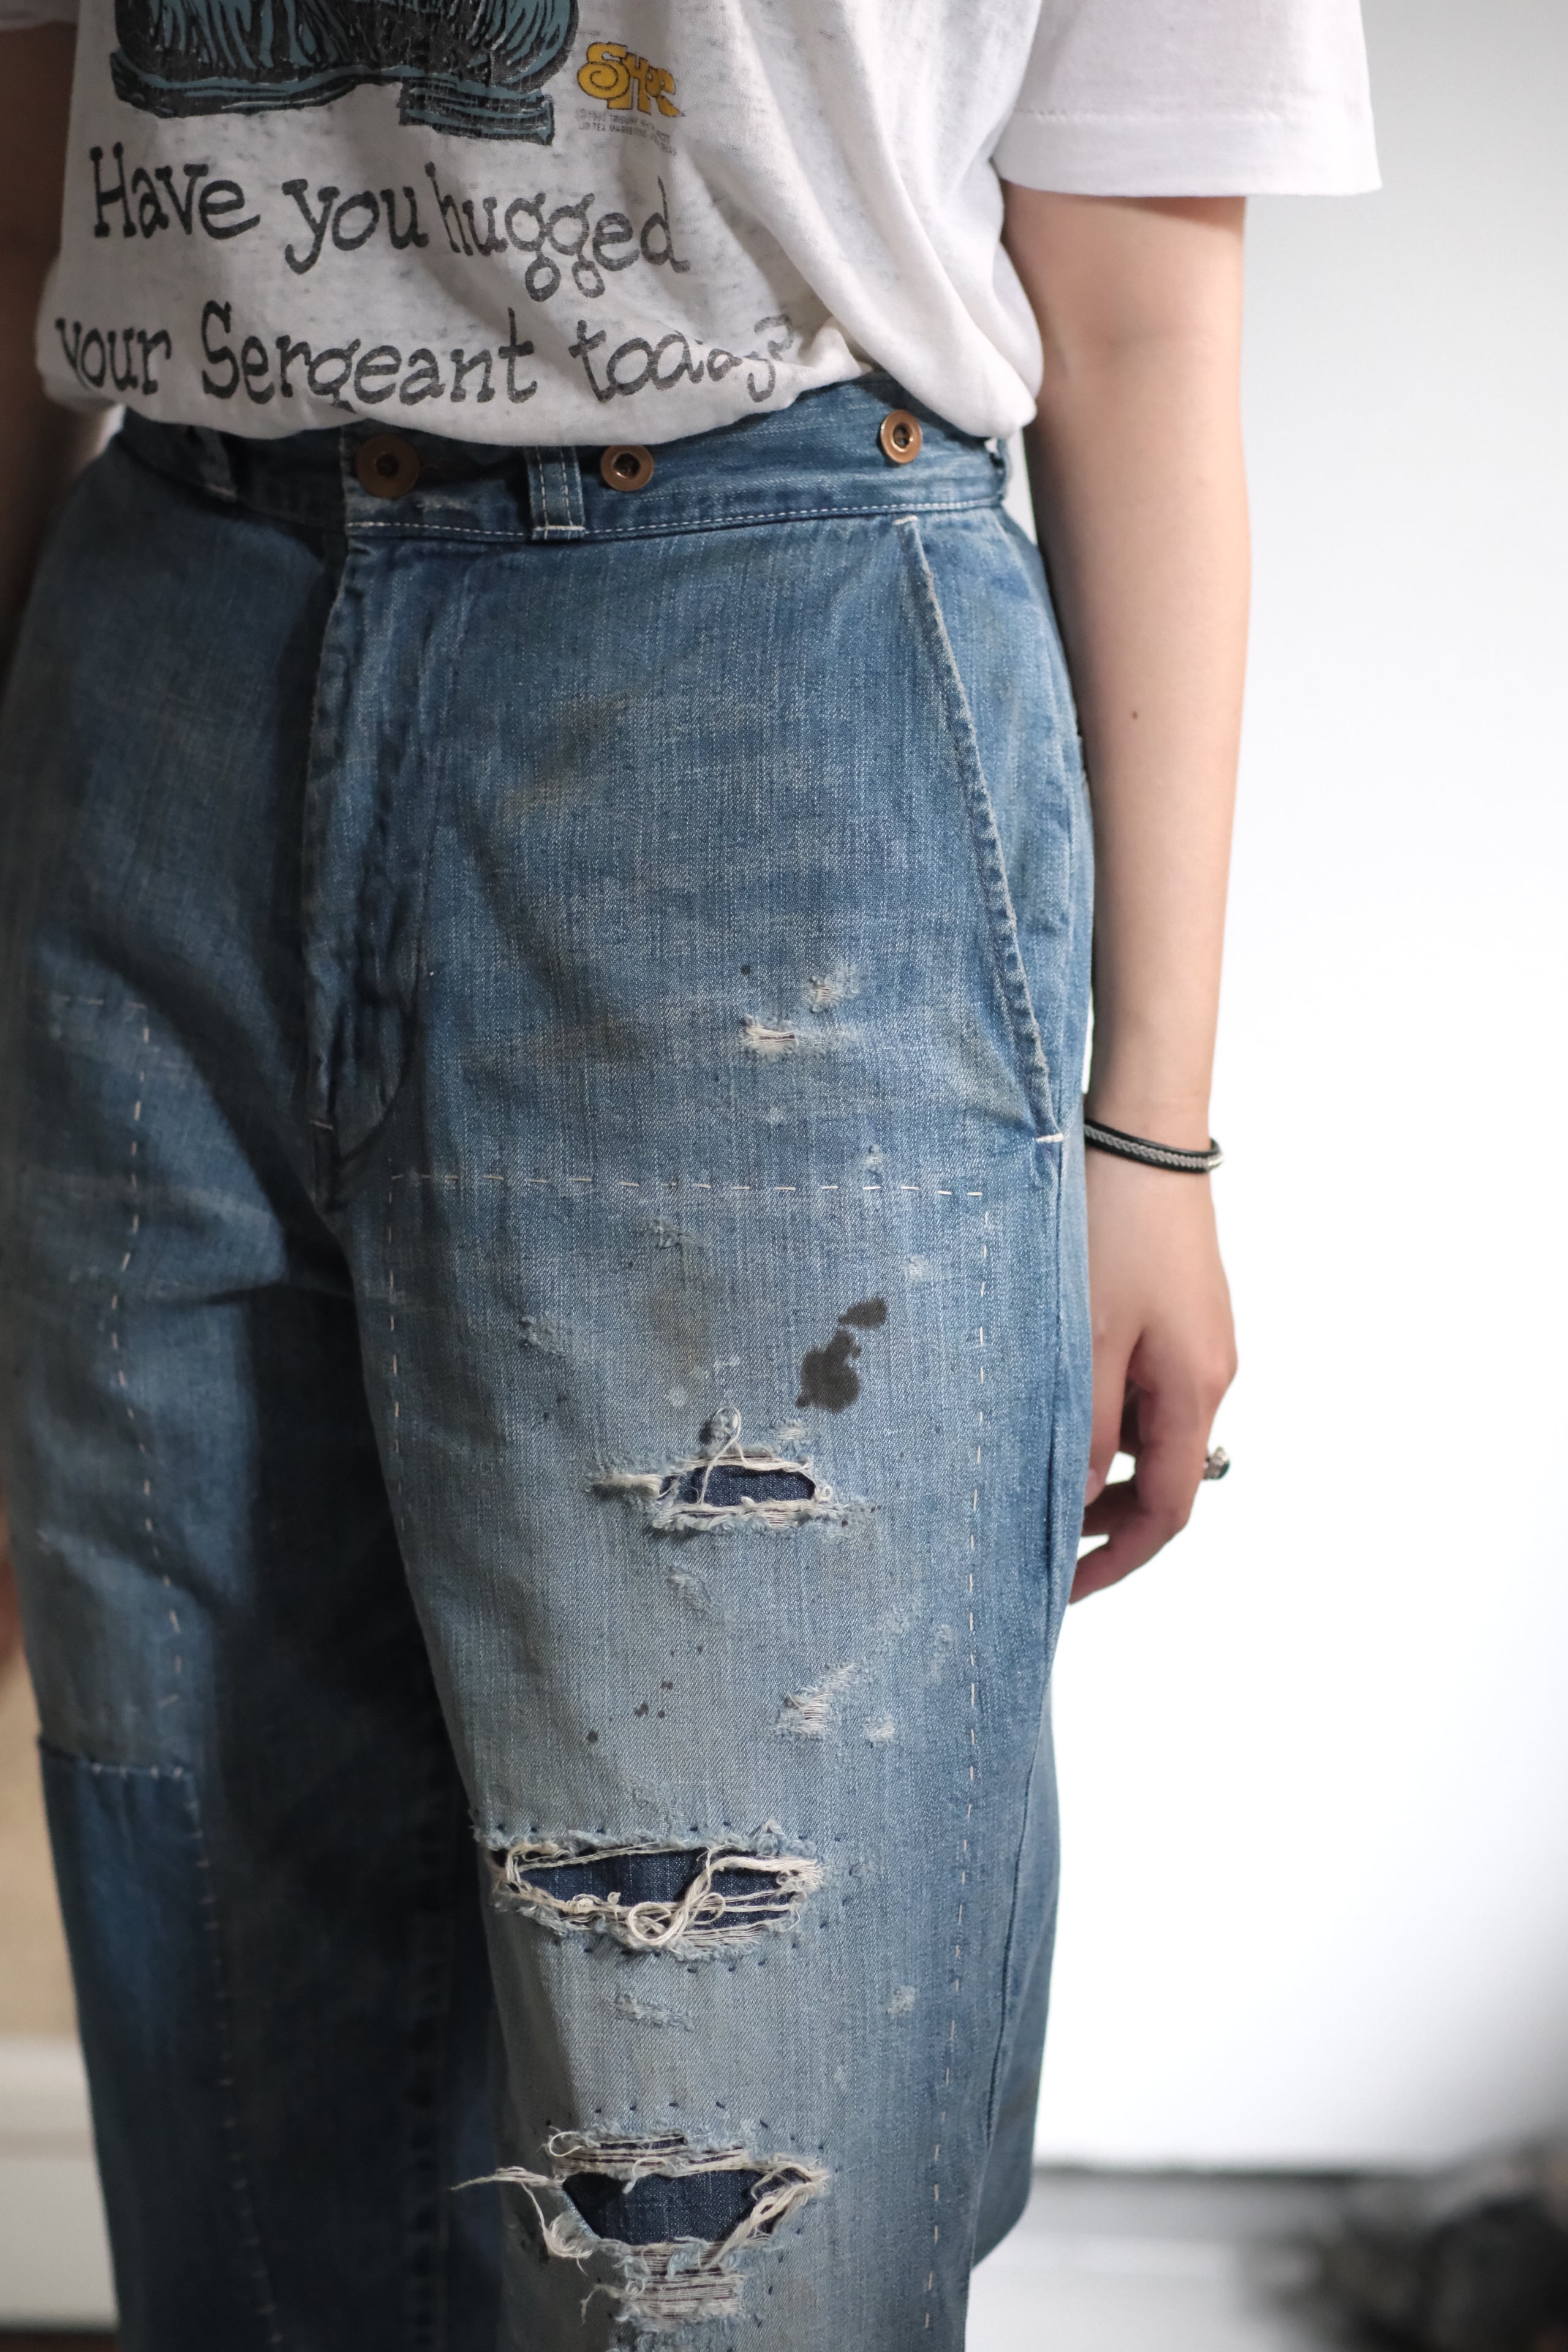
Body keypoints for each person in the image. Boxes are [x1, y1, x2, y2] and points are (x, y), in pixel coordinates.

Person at [0, 4, 1375, 2345]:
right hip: (157, 655)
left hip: (765, 664)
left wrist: (1151, 1123)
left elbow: (1141, 309)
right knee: (234, 2024)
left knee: (733, 2174)